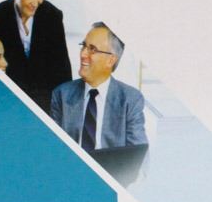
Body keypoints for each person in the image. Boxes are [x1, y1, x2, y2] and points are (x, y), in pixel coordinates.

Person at [51, 22, 147, 152]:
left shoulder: (130, 99)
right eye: (83, 46)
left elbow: (137, 154)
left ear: (110, 60)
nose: (83, 54)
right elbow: (53, 148)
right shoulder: (62, 94)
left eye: (92, 49)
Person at [0, 0, 72, 114]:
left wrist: (66, 108)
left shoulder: (53, 15)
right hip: (11, 98)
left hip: (45, 98)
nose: (35, 3)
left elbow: (62, 65)